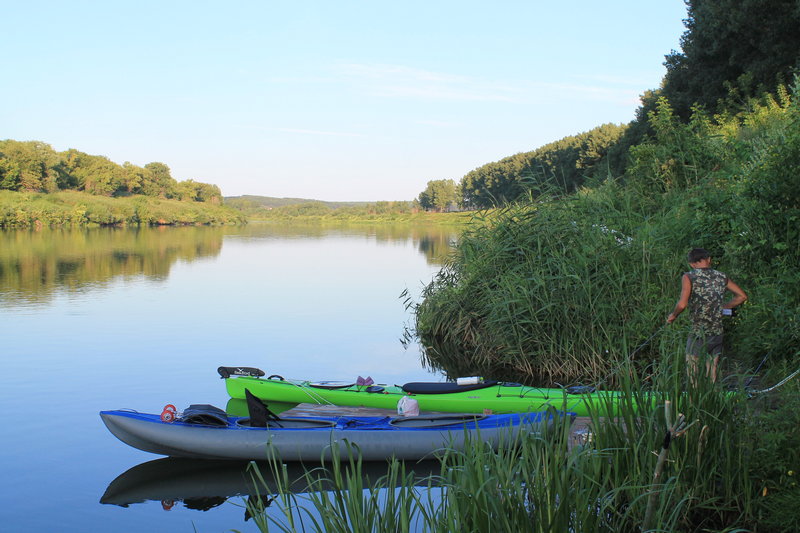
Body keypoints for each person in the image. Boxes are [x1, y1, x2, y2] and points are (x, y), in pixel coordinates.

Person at [666, 248, 747, 382]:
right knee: (712, 371)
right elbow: (742, 296)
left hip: (699, 332)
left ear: (691, 264)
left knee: (693, 371)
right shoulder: (722, 276)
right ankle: (712, 399)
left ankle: (693, 401)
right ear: (709, 260)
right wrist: (723, 307)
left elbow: (682, 305)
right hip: (717, 332)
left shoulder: (689, 276)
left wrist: (673, 316)